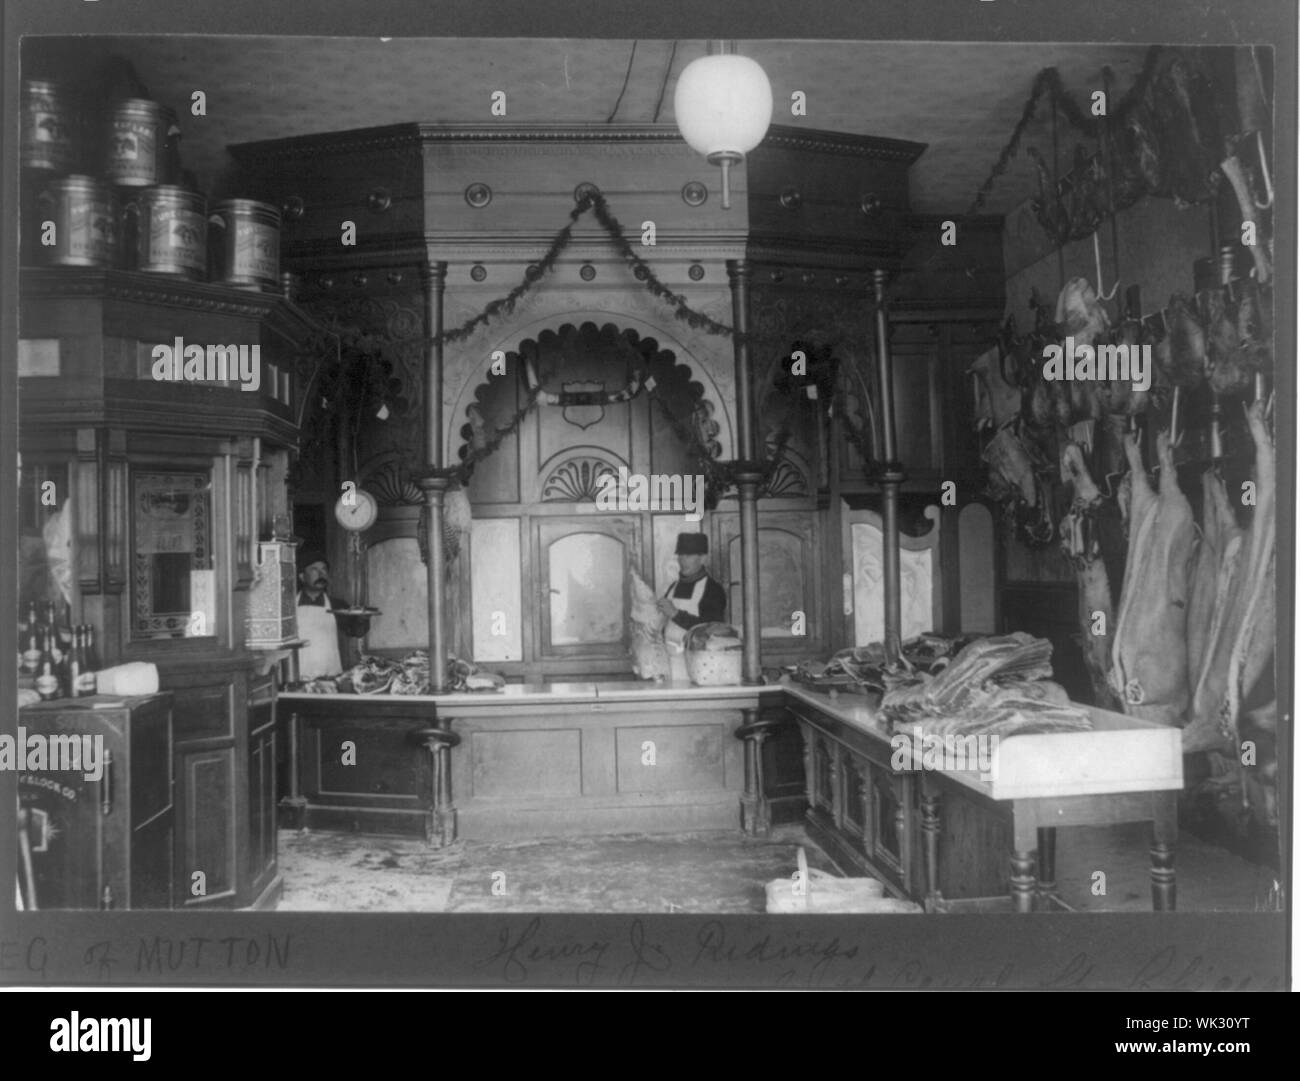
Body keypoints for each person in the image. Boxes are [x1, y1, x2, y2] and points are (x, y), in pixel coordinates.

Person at [658, 532, 727, 680]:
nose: (682, 561)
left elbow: (712, 630)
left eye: (688, 556)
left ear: (703, 558)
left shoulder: (713, 589)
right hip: (669, 665)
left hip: (697, 666)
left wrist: (676, 614)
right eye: (680, 556)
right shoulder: (673, 586)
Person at [295, 550, 348, 680]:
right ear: (302, 576)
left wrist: (362, 619)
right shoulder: (288, 607)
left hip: (330, 678)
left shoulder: (338, 605)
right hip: (296, 678)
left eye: (324, 569)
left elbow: (356, 631)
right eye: (314, 569)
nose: (321, 574)